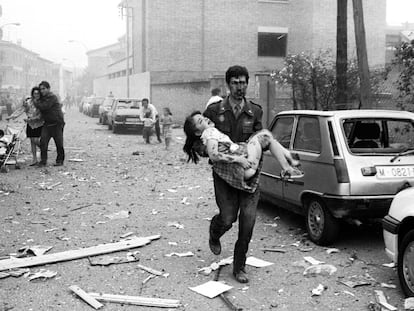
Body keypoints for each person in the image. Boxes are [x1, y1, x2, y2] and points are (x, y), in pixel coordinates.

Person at [200, 65, 267, 283]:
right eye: (235, 83)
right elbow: (202, 143)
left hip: (249, 175)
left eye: (243, 82)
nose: (240, 87)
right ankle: (215, 230)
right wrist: (215, 150)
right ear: (228, 85)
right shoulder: (214, 112)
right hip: (225, 176)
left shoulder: (255, 111)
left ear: (248, 83)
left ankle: (239, 266)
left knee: (248, 221)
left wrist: (256, 148)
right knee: (228, 217)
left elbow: (260, 139)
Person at [183, 111, 303, 181]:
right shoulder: (209, 133)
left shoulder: (209, 134)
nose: (205, 119)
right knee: (265, 135)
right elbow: (214, 155)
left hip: (245, 169)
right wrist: (239, 160)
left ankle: (287, 166)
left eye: (203, 117)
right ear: (198, 132)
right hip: (244, 165)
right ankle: (288, 159)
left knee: (267, 138)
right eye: (200, 121)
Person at [6, 87, 44, 166]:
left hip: (39, 124)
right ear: (32, 94)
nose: (36, 95)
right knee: (32, 142)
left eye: (37, 93)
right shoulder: (29, 102)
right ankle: (34, 159)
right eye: (34, 93)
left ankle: (44, 150)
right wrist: (12, 116)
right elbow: (21, 110)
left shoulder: (41, 103)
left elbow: (42, 115)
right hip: (30, 124)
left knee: (36, 140)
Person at [34, 81, 65, 167]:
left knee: (59, 143)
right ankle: (43, 161)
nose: (42, 91)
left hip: (57, 123)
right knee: (43, 142)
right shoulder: (42, 99)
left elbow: (44, 106)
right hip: (47, 124)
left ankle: (60, 160)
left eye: (44, 89)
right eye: (41, 89)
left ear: (48, 89)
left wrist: (36, 101)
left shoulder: (52, 97)